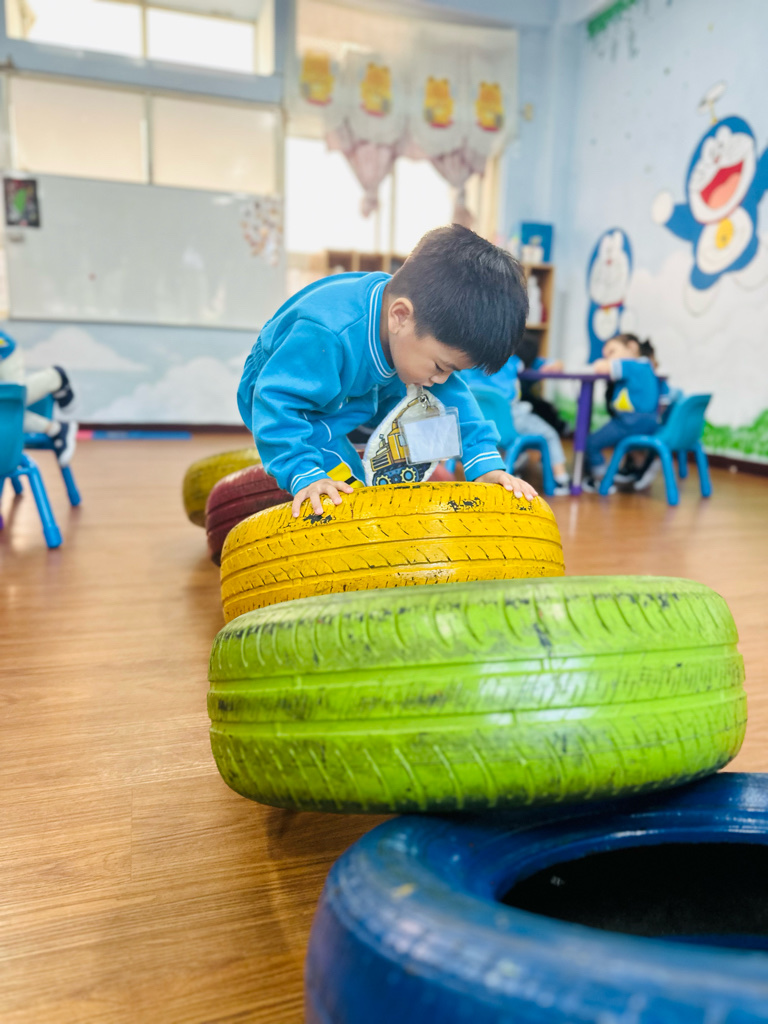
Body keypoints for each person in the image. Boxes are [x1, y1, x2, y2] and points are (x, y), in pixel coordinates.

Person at [237, 225, 537, 517]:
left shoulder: (411, 328)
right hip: (285, 389)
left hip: (360, 385)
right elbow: (276, 401)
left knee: (431, 410)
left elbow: (455, 402)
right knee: (348, 494)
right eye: (441, 367)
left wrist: (485, 465)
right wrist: (304, 474)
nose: (442, 379)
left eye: (451, 370)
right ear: (400, 316)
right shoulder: (327, 334)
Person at [462, 353, 572, 495]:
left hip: (476, 425)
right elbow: (548, 365)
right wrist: (553, 364)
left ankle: (515, 461)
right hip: (510, 422)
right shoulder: (513, 361)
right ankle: (561, 480)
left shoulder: (465, 361)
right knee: (549, 434)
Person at [582, 334, 660, 493]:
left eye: (612, 352)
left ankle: (601, 480)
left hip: (629, 421)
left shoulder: (631, 365)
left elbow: (600, 367)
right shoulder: (647, 366)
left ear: (632, 347)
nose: (609, 357)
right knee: (633, 447)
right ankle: (642, 468)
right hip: (650, 421)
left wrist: (602, 362)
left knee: (591, 443)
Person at [0, 330, 77, 465]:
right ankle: (56, 429)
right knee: (6, 410)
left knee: (11, 400)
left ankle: (55, 377)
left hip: (5, 354)